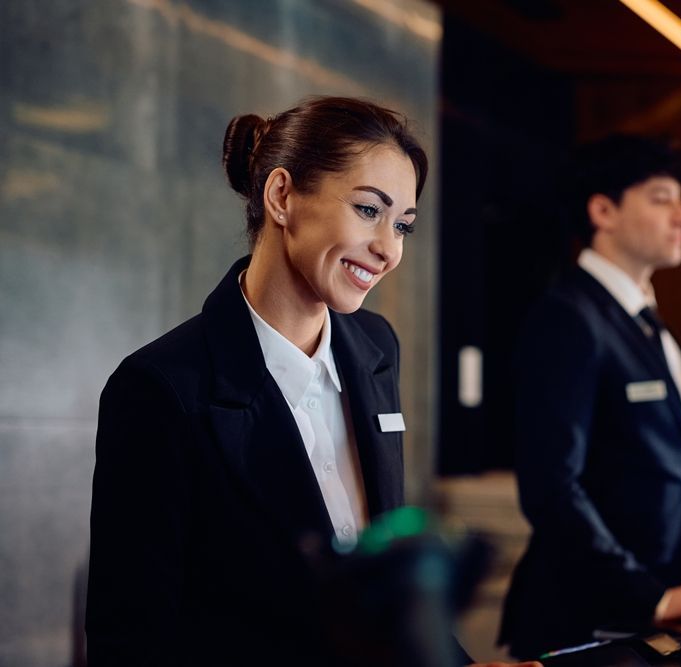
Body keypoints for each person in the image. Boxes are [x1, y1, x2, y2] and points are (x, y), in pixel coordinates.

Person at [86, 96, 538, 667]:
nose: (389, 250)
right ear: (281, 196)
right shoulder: (160, 388)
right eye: (369, 210)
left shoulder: (376, 348)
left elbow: (383, 607)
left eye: (402, 224)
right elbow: (129, 643)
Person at [499, 134, 681, 659]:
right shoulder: (568, 317)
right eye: (662, 198)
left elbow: (674, 489)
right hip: (587, 618)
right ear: (603, 210)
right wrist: (653, 597)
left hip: (657, 615)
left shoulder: (652, 327)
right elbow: (553, 488)